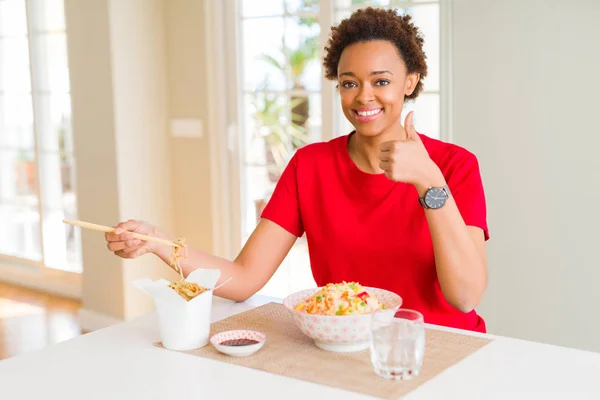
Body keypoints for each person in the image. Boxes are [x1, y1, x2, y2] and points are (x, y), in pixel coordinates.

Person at [105, 7, 489, 333]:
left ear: (410, 81)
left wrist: (428, 181)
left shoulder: (454, 166)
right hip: (343, 347)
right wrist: (159, 243)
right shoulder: (311, 166)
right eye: (349, 83)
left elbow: (465, 296)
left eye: (381, 81)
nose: (363, 96)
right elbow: (243, 279)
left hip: (441, 348)